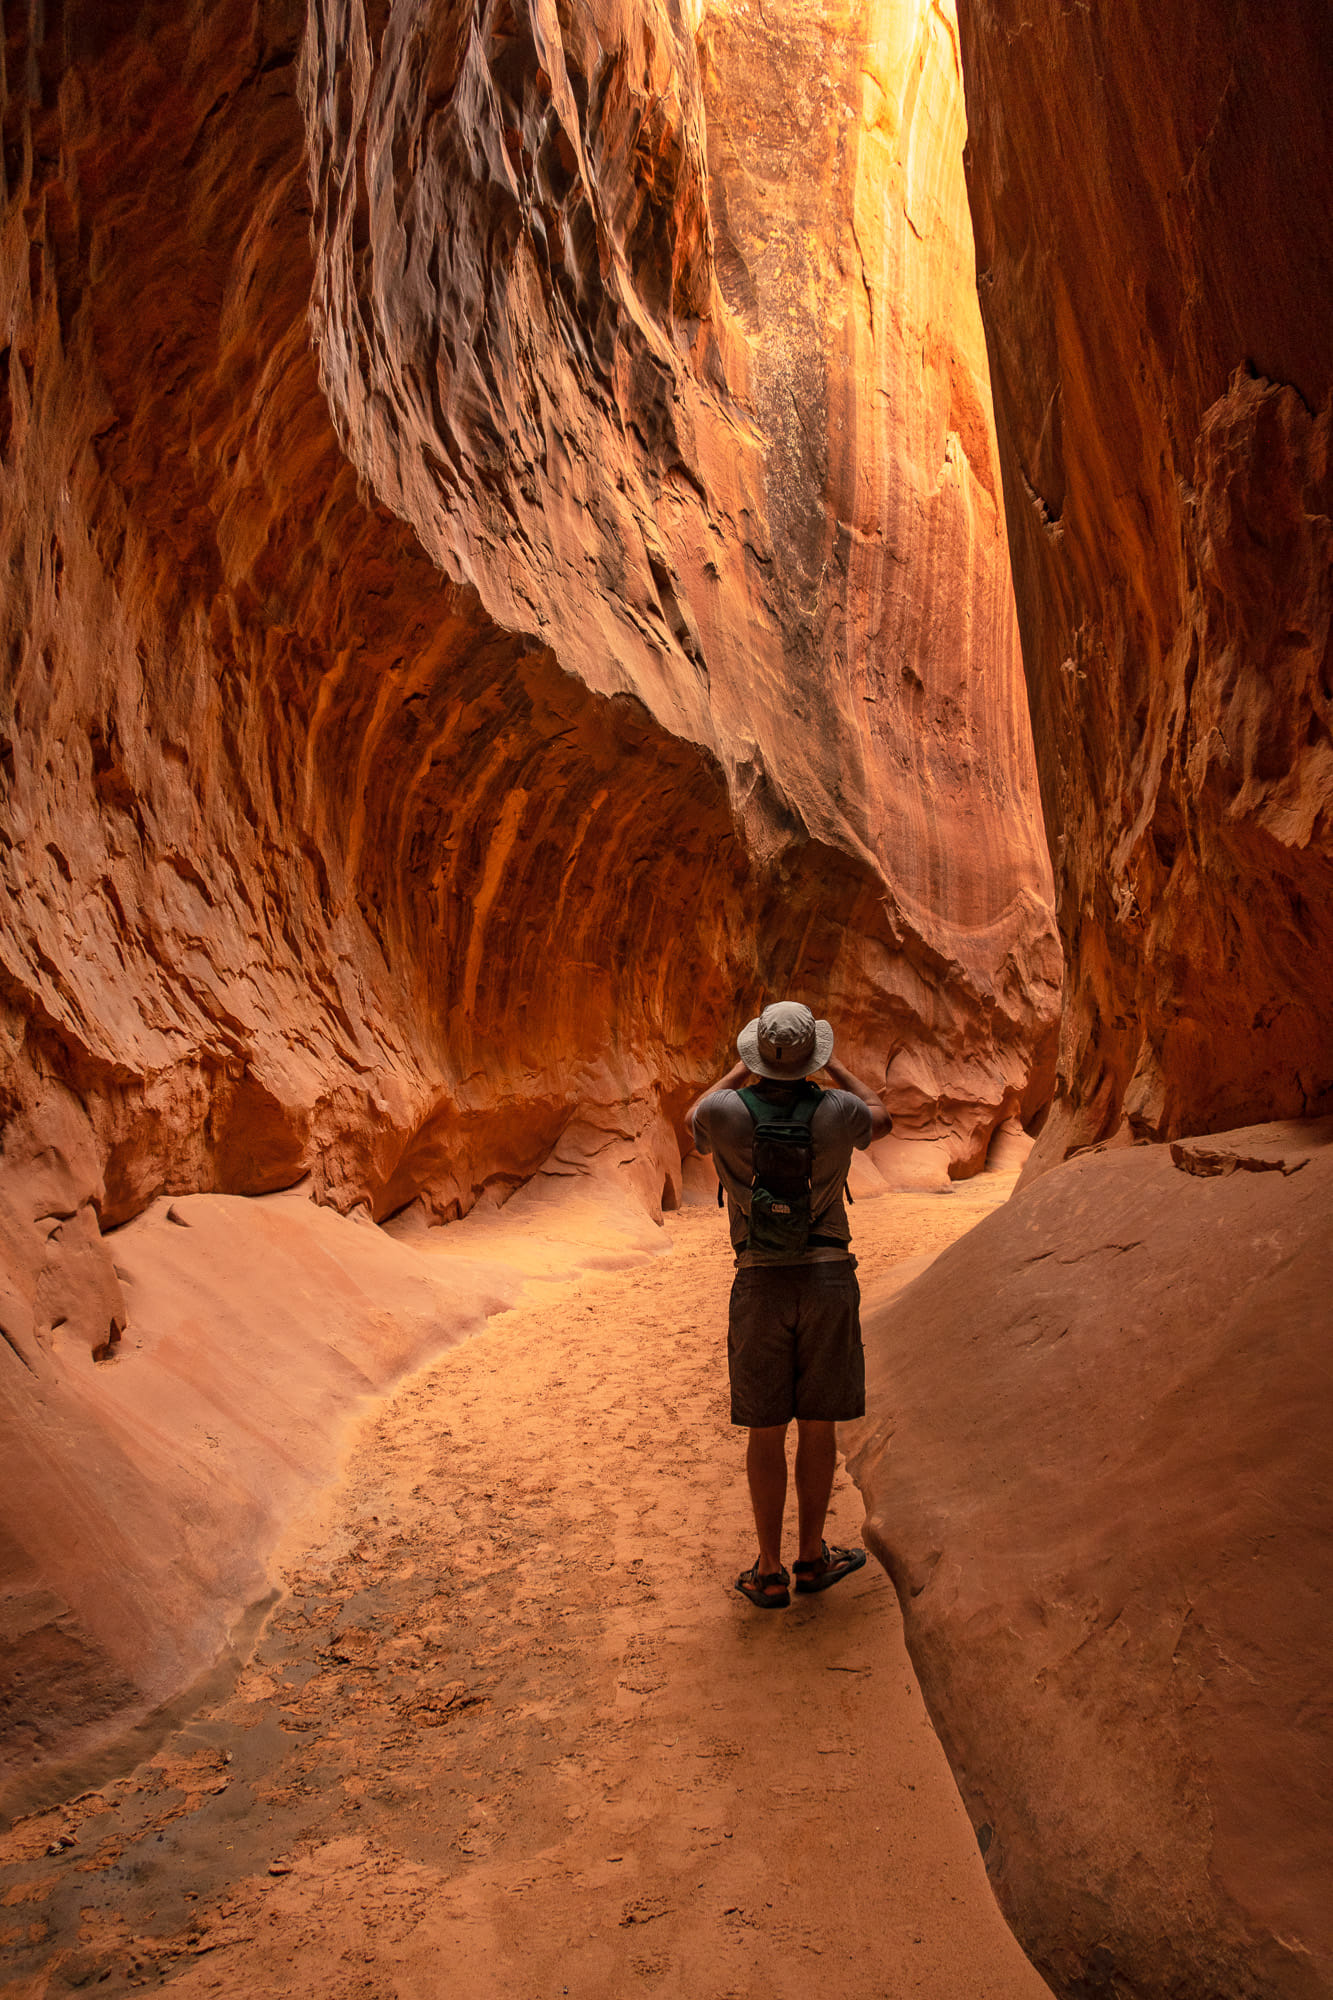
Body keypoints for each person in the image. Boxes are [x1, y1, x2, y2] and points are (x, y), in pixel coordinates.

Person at [686, 1000, 892, 1609]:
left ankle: (770, 1571)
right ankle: (811, 1557)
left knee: (766, 1427)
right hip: (828, 1275)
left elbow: (690, 1115)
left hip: (759, 1280)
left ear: (756, 1057)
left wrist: (737, 1070)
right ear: (811, 1057)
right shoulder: (837, 1111)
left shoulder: (724, 1113)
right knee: (818, 1423)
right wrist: (836, 1070)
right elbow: (884, 1116)